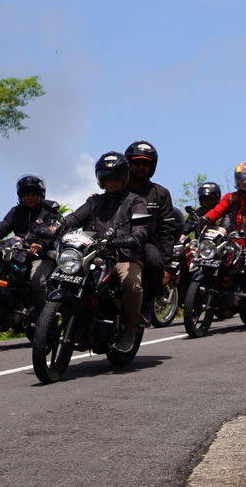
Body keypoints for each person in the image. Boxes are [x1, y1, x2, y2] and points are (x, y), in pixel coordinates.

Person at [56, 152, 149, 353]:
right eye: (106, 176)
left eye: (115, 176)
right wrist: (57, 226)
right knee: (60, 273)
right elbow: (73, 217)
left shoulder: (137, 201)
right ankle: (49, 318)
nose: (111, 181)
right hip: (93, 255)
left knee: (131, 283)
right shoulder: (94, 202)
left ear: (125, 177)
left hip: (123, 255)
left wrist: (132, 238)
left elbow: (141, 230)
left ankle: (130, 329)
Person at [0, 174, 63, 316]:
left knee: (36, 280)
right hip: (17, 252)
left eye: (33, 194)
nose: (29, 197)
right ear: (21, 196)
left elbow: (53, 231)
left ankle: (42, 317)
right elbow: (1, 229)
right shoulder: (15, 212)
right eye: (26, 195)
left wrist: (40, 244)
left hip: (41, 255)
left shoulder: (49, 210)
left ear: (40, 194)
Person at [200, 161, 246, 306]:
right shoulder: (230, 197)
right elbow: (217, 211)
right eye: (241, 178)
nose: (244, 181)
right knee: (212, 258)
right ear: (236, 179)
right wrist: (205, 219)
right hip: (231, 240)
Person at [124, 141, 179, 317]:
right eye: (136, 162)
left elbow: (167, 231)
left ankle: (145, 304)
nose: (140, 167)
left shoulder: (160, 193)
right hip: (114, 240)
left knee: (155, 263)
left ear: (152, 166)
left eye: (146, 164)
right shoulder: (116, 187)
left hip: (146, 244)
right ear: (128, 163)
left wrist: (168, 267)